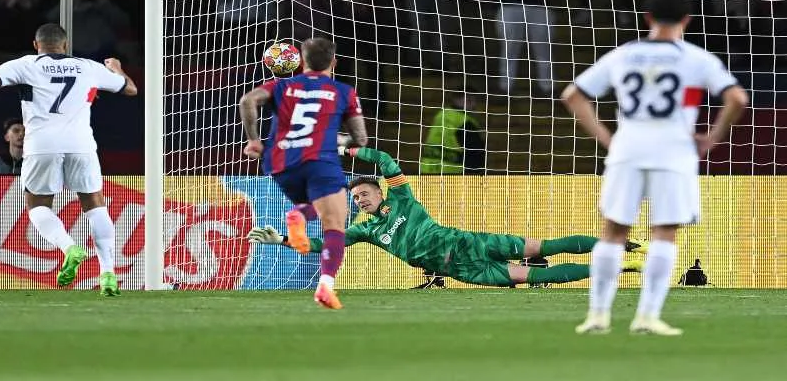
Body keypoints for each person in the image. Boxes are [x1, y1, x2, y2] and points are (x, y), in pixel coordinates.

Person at [562, 0, 748, 336]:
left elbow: (573, 95)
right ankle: (646, 317)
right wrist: (713, 136)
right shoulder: (697, 58)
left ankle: (598, 316)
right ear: (687, 21)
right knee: (664, 231)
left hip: (628, 149)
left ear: (647, 18)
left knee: (614, 231)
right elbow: (737, 97)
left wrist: (606, 138)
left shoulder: (623, 55)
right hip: (673, 151)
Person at [249, 146, 645, 287]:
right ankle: (616, 268)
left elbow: (386, 160)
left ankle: (614, 244)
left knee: (543, 246)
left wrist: (349, 152)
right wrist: (283, 240)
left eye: (365, 193)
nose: (362, 200)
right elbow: (321, 244)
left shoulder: (401, 196)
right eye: (357, 198)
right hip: (462, 270)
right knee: (531, 275)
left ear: (378, 191)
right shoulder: (363, 230)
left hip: (468, 242)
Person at [0, 23, 138, 296]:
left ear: (36, 45)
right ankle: (108, 274)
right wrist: (116, 68)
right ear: (66, 45)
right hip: (81, 145)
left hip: (42, 145)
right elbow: (130, 89)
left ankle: (70, 248)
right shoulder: (88, 67)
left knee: (37, 206)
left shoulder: (26, 64)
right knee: (95, 205)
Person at [238, 37, 368, 309]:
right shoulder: (344, 91)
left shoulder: (282, 85)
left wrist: (254, 140)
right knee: (335, 220)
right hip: (319, 160)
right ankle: (325, 285)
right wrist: (340, 140)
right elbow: (361, 139)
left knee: (314, 202)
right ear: (334, 62)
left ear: (302, 61)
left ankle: (301, 210)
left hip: (279, 162)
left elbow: (248, 100)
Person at [420, 90, 485, 174]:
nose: (473, 105)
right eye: (469, 100)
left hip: (427, 169)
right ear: (456, 99)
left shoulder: (440, 114)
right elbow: (475, 153)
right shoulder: (465, 121)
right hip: (452, 174)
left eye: (474, 101)